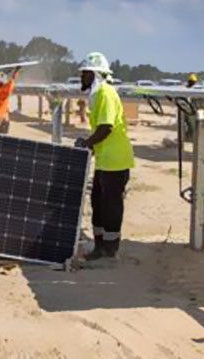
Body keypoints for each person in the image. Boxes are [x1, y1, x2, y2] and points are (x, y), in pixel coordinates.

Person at [75, 52, 135, 260]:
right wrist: (89, 145)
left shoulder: (106, 93)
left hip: (116, 161)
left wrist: (87, 143)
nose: (81, 77)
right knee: (97, 203)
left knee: (110, 206)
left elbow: (106, 127)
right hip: (105, 160)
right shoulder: (97, 94)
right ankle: (100, 247)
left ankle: (110, 250)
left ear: (95, 74)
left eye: (85, 73)